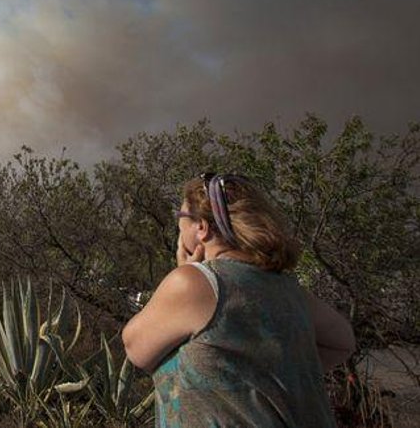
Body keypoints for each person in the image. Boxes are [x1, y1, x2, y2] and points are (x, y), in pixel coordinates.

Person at [122, 172, 356, 427]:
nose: (178, 226)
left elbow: (135, 347)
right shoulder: (287, 287)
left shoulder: (192, 283)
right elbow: (343, 341)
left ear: (201, 226)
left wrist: (184, 274)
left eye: (181, 218)